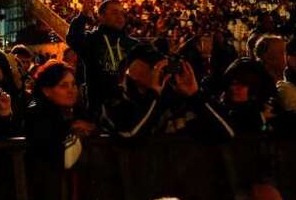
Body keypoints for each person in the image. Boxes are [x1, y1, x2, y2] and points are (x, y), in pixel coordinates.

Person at [101, 43, 235, 139]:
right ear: (133, 70)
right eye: (152, 65)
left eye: (160, 64)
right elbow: (130, 135)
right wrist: (153, 94)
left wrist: (194, 95)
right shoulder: (115, 101)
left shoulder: (174, 99)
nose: (159, 69)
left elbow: (227, 133)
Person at [24, 61, 96, 200]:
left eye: (73, 84)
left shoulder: (77, 111)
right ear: (46, 90)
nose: (71, 90)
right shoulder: (36, 112)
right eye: (63, 85)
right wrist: (71, 128)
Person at [65, 0, 138, 117]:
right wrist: (83, 16)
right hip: (99, 111)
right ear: (101, 17)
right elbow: (73, 38)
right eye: (114, 12)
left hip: (130, 109)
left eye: (122, 13)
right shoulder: (91, 40)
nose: (120, 17)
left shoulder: (133, 44)